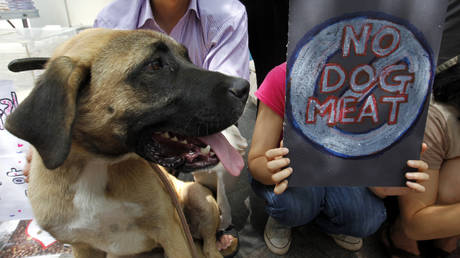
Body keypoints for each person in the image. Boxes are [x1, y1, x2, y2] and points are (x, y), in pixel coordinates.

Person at [247, 62, 430, 255]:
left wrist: (388, 183)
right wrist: (274, 170)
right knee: (293, 206)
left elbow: (375, 183)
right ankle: (286, 219)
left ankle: (328, 221)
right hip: (295, 175)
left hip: (344, 176)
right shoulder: (283, 76)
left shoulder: (385, 88)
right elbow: (256, 161)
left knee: (367, 218)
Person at [383, 57, 460, 257]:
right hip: (411, 192)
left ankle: (447, 238)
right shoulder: (438, 117)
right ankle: (399, 234)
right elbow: (416, 224)